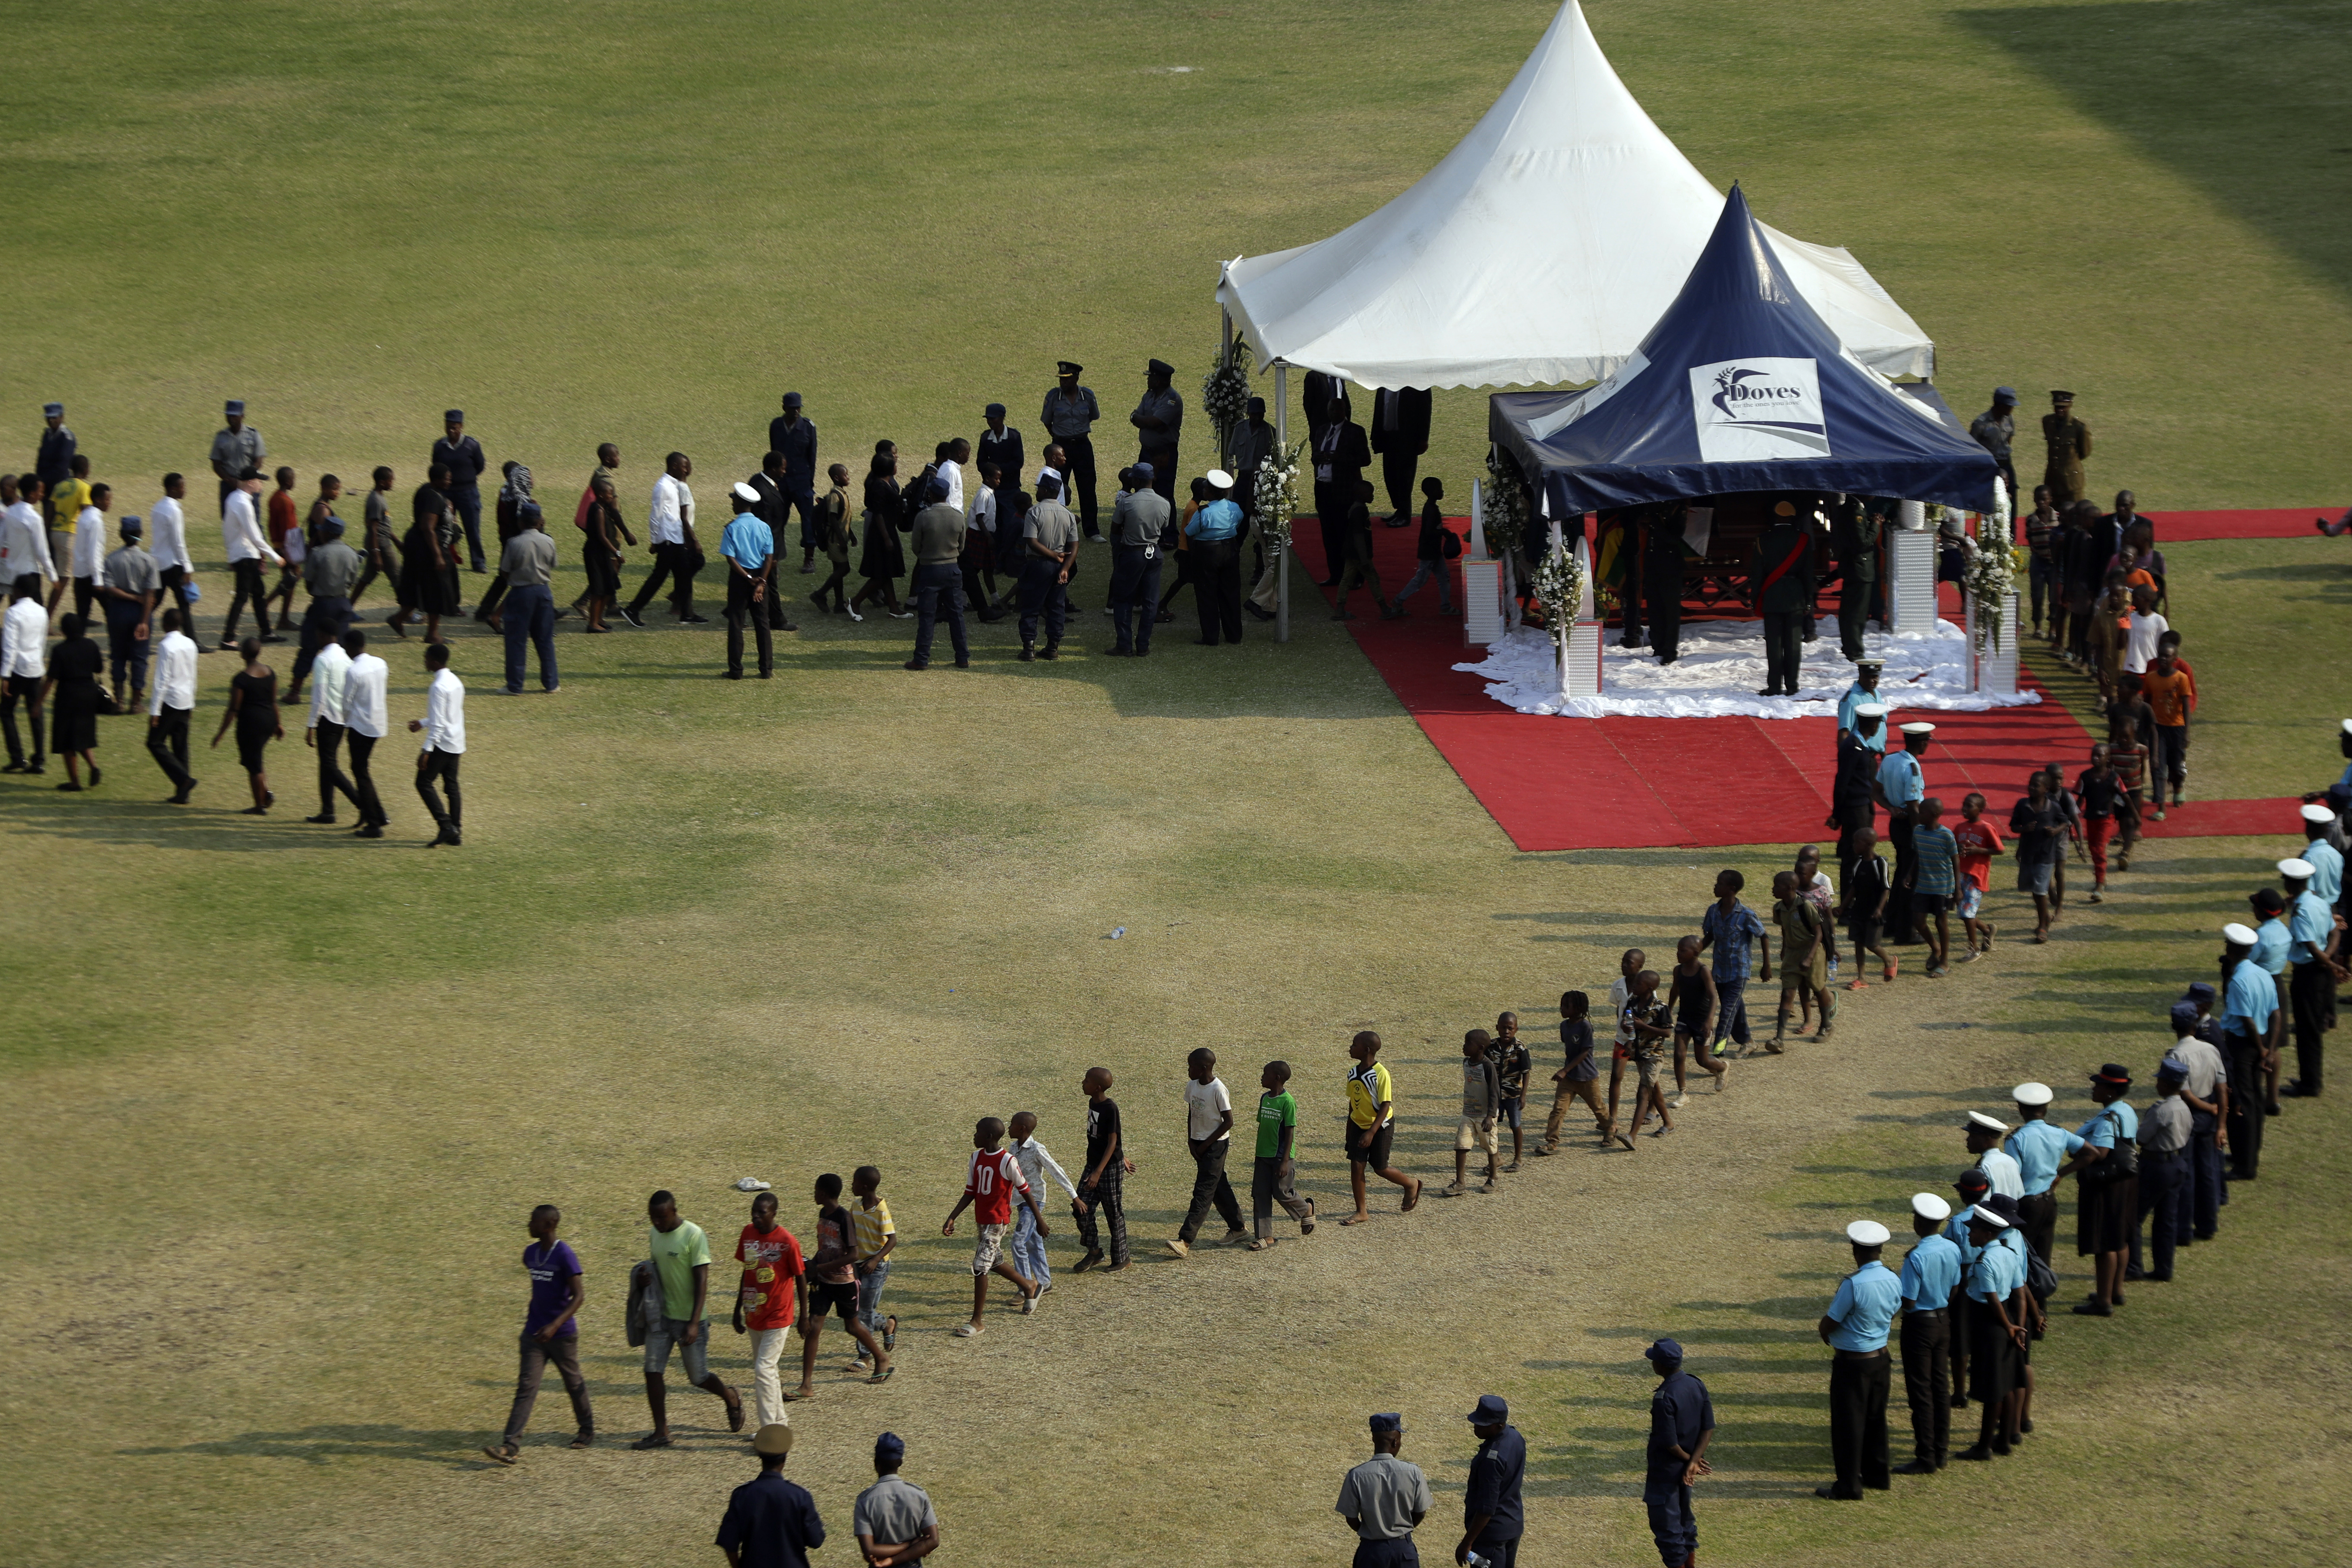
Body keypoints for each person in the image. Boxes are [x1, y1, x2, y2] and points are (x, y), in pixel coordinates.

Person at [630, 1189, 745, 1447]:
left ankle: (730, 1397)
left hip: (689, 1320)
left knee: (698, 1377)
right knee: (652, 1371)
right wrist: (644, 1278)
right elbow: (659, 1269)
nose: (657, 1223)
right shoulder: (654, 1234)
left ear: (674, 1211)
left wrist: (694, 1322)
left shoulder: (694, 1235)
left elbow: (702, 1281)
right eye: (652, 1218)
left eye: (661, 1218)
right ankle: (662, 1432)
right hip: (661, 1318)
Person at [481, 1204, 593, 1465]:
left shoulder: (565, 1255)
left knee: (574, 1384)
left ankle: (586, 1430)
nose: (528, 1225)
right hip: (533, 1335)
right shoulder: (530, 1254)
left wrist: (555, 1325)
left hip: (562, 1335)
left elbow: (579, 1297)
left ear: (549, 1225)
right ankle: (510, 1445)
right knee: (526, 1387)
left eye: (534, 1221)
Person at [1815, 1219, 1899, 1499]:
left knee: (1848, 1424)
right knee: (1876, 1419)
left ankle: (1849, 1486)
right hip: (1881, 1358)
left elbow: (1831, 1321)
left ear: (1855, 1250)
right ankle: (1878, 1475)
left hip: (1853, 1363)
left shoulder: (1853, 1284)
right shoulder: (1893, 1278)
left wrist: (1824, 1333)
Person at [940, 1116, 1045, 1336]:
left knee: (980, 1267)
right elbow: (970, 1191)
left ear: (988, 1136)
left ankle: (977, 1321)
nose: (974, 1136)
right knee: (994, 1262)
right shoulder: (976, 1157)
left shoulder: (1008, 1161)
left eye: (977, 1132)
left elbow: (1026, 1191)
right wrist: (953, 1217)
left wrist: (1040, 1219)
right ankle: (1029, 1286)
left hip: (997, 1222)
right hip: (982, 1220)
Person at [2054, 1064, 2138, 1316]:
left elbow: (2100, 1154)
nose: (2093, 1088)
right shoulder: (2127, 1111)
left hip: (2105, 1184)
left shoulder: (2106, 1120)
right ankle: (2116, 1291)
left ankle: (2103, 1301)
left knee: (2104, 1243)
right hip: (2125, 1181)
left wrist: (2063, 1173)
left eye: (2099, 1085)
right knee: (2120, 1236)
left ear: (2110, 1091)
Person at [792, 1172, 888, 1390]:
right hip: (823, 1282)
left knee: (853, 1326)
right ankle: (806, 1384)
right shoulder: (823, 1213)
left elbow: (853, 1255)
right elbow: (826, 1247)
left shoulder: (844, 1218)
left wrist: (818, 1268)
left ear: (824, 1193)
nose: (814, 1194)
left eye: (816, 1190)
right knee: (814, 1327)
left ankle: (881, 1358)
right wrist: (812, 1266)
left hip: (845, 1282)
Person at [728, 1190, 806, 1432]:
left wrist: (804, 1316)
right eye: (754, 1212)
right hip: (754, 1314)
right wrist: (737, 1308)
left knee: (763, 1369)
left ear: (774, 1213)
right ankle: (779, 1424)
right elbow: (747, 1271)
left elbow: (800, 1277)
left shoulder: (787, 1241)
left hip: (779, 1315)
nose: (756, 1217)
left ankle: (769, 1431)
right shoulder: (748, 1233)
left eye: (762, 1213)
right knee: (768, 1372)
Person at [1893, 1193, 1959, 1474]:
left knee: (1921, 1391)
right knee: (1940, 1388)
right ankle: (1941, 1451)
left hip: (1920, 1325)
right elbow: (1956, 1286)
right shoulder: (1952, 1248)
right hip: (1944, 1320)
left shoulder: (1917, 1257)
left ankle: (1926, 1456)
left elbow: (1908, 1300)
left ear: (1919, 1222)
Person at [1953, 1206, 2026, 1459]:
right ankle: (2003, 1441)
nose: (1969, 1234)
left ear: (1986, 1233)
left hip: (1991, 1323)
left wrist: (2008, 1327)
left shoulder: (1984, 1261)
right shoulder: (2009, 1254)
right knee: (2006, 1384)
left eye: (1973, 1230)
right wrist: (2019, 1327)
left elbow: (1992, 1299)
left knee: (1992, 1388)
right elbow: (2020, 1293)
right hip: (2010, 1320)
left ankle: (1984, 1447)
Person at [1169, 1047, 1247, 1255]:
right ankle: (1239, 1228)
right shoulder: (1192, 1086)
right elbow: (1192, 1114)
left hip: (1216, 1145)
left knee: (1203, 1192)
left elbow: (1228, 1122)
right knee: (1218, 1186)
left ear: (1203, 1068)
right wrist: (1191, 1141)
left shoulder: (1218, 1089)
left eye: (1191, 1066)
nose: (1188, 1070)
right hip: (1198, 1143)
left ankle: (1185, 1241)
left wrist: (1205, 1145)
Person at [1642, 1340, 1712, 1568]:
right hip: (1685, 1473)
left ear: (1660, 1366)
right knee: (1685, 1526)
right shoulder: (1696, 1384)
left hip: (1666, 1474)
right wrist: (1693, 1462)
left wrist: (1690, 1461)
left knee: (1668, 1531)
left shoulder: (1664, 1398)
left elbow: (1670, 1444)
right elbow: (1708, 1427)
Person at [715, 1424, 825, 1568]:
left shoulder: (742, 1495)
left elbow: (729, 1542)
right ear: (785, 1457)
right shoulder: (799, 1496)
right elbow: (816, 1540)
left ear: (760, 1456)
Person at [2218, 922, 2279, 1181]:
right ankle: (2249, 1152)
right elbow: (2276, 1013)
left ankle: (2245, 1166)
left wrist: (2260, 1048)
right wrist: (2269, 1050)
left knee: (2241, 1104)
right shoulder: (2262, 973)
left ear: (2231, 948)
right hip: (2261, 1043)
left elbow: (2247, 1021)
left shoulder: (2238, 981)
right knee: (2254, 1099)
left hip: (2243, 1045)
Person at [2164, 1004, 2229, 1243]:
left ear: (2174, 1026)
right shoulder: (2211, 1049)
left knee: (2187, 1173)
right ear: (2196, 1024)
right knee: (2209, 1171)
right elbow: (2222, 1088)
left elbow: (2186, 1094)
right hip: (2210, 1118)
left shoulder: (2176, 1055)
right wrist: (2220, 1121)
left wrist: (2209, 1108)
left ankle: (2183, 1231)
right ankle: (2208, 1225)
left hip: (2189, 1116)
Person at [1340, 1031, 1421, 1222]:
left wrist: (1371, 1132)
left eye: (1354, 1045)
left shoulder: (1381, 1074)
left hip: (1381, 1126)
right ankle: (1362, 1211)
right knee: (1357, 1167)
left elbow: (1386, 1105)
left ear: (1367, 1050)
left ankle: (1411, 1184)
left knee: (1380, 1168)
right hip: (1359, 1125)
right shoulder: (1353, 1073)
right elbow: (1353, 1103)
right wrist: (1349, 1131)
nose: (1351, 1047)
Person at [284, 515, 363, 708]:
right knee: (345, 649)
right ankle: (349, 692)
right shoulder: (352, 554)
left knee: (309, 647)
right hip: (343, 604)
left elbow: (309, 582)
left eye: (322, 530)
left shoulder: (318, 553)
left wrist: (316, 592)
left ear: (328, 533)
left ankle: (295, 692)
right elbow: (353, 581)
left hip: (322, 605)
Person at [1336, 1413, 1434, 1568]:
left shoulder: (1356, 1475)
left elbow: (1351, 1518)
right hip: (1403, 1551)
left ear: (1373, 1439)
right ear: (1396, 1442)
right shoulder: (1413, 1472)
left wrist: (1368, 1531)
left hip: (1371, 1551)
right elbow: (1421, 1512)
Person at [625, 452, 707, 625]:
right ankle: (632, 610)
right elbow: (655, 515)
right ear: (675, 466)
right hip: (668, 541)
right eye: (684, 466)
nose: (687, 470)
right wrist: (655, 541)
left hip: (675, 539)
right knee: (659, 577)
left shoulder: (674, 485)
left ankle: (687, 614)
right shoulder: (663, 486)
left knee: (684, 576)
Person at [2003, 1083, 2078, 1262]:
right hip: (2049, 1201)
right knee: (2043, 1257)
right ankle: (2042, 1290)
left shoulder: (2016, 1139)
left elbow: (2015, 1176)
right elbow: (2092, 1153)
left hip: (2027, 1204)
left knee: (2021, 1257)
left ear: (2020, 1110)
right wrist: (2061, 1174)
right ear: (2046, 1109)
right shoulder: (2059, 1132)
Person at [1006, 1110, 1078, 1295]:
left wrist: (1074, 1196)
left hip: (1035, 1202)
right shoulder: (1013, 1149)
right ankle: (1045, 1282)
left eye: (1012, 1124)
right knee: (1032, 1242)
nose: (1008, 1127)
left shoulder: (1037, 1149)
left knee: (1018, 1242)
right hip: (1021, 1202)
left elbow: (1056, 1170)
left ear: (1022, 1129)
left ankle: (1025, 1287)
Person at [1537, 989, 1620, 1152]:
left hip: (1587, 1077)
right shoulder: (1564, 1026)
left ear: (1578, 1009)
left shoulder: (1585, 1026)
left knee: (1598, 1108)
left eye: (1566, 1006)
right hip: (1569, 1079)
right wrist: (1566, 1072)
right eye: (1562, 1005)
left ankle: (1610, 1128)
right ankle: (1552, 1142)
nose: (1562, 1009)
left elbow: (1585, 1052)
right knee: (1558, 1110)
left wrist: (1564, 1071)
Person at [1697, 870, 1768, 1055]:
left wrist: (1766, 965)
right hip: (1720, 971)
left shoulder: (1746, 915)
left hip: (1739, 971)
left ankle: (1719, 1051)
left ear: (1731, 889)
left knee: (1727, 1011)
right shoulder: (1713, 911)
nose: (1715, 886)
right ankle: (1747, 1040)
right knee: (1736, 1006)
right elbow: (1710, 935)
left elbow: (1763, 935)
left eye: (1719, 883)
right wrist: (1694, 955)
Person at [903, 475, 970, 672]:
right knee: (957, 615)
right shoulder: (958, 516)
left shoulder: (924, 517)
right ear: (947, 494)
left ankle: (921, 659)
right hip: (952, 568)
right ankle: (963, 657)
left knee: (927, 616)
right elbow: (962, 545)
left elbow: (916, 546)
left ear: (931, 494)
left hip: (929, 568)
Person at [1749, 500, 1815, 696]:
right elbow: (1808, 575)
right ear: (1793, 518)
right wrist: (1808, 600)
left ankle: (1775, 686)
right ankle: (1792, 685)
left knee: (1774, 645)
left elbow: (1757, 575)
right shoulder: (1803, 540)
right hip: (1795, 596)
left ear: (1775, 517)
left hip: (1772, 596)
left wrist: (1755, 599)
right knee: (1794, 645)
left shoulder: (1763, 540)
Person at [209, 635, 280, 812]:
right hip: (268, 720)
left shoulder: (241, 679)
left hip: (251, 725)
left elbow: (234, 709)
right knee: (255, 759)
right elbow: (273, 702)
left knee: (253, 765)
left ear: (243, 654)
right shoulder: (270, 672)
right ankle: (265, 793)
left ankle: (259, 805)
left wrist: (220, 733)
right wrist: (278, 724)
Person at [1250, 1059, 1316, 1249]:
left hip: (1281, 1157)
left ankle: (1306, 1209)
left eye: (1265, 1074)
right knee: (1260, 1194)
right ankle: (1265, 1236)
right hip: (1263, 1155)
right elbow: (1263, 1126)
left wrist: (1285, 1161)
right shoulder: (1264, 1098)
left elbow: (1289, 1133)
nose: (1262, 1077)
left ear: (1277, 1078)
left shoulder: (1288, 1102)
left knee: (1282, 1192)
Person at [300, 617, 359, 825]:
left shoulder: (322, 660)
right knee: (327, 765)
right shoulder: (345, 656)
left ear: (323, 635)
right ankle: (327, 810)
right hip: (343, 719)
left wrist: (311, 726)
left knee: (330, 766)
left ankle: (365, 805)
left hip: (327, 719)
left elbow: (319, 698)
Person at [1106, 463, 1170, 657]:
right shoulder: (1165, 503)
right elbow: (1164, 527)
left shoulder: (1127, 502)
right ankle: (1143, 645)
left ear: (1136, 480)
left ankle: (1124, 645)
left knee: (1123, 599)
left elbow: (1115, 529)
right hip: (1154, 552)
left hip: (1132, 553)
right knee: (1150, 602)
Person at [1073, 1065, 1133, 1271]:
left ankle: (1121, 1258)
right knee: (1080, 1207)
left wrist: (1099, 1172)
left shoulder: (1110, 1108)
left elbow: (1112, 1141)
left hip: (1107, 1170)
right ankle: (1094, 1252)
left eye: (1087, 1081)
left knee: (1113, 1212)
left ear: (1098, 1087)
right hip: (1093, 1165)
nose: (1083, 1083)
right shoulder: (1093, 1102)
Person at [2138, 1059, 2192, 1282]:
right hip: (2177, 1164)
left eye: (2160, 1080)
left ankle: (2133, 1267)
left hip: (2156, 1165)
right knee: (2166, 1220)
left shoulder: (2162, 1110)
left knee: (2134, 1217)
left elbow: (2141, 1138)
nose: (2157, 1083)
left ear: (2167, 1084)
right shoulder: (2184, 1107)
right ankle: (2164, 1268)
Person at [1875, 722, 1932, 937]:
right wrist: (1920, 835)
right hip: (1911, 825)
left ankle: (1891, 924)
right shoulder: (1913, 768)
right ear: (1923, 743)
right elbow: (1914, 805)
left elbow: (1876, 791)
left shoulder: (1890, 759)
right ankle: (1906, 930)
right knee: (1912, 876)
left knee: (1901, 873)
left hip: (1897, 823)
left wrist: (1891, 808)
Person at [98, 513, 159, 711]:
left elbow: (109, 589)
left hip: (117, 611)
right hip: (141, 612)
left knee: (118, 655)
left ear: (121, 534)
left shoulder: (111, 559)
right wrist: (143, 619)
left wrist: (130, 598)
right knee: (139, 657)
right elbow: (150, 594)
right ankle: (136, 702)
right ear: (140, 534)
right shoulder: (149, 561)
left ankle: (120, 700)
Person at [395, 465, 462, 644]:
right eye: (447, 478)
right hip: (430, 549)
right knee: (437, 590)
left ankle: (398, 618)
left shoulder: (428, 491)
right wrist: (438, 555)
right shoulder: (433, 498)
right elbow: (428, 527)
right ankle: (432, 634)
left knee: (418, 586)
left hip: (419, 546)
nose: (450, 481)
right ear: (437, 479)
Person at [218, 467, 284, 648]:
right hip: (245, 555)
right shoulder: (244, 504)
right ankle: (228, 637)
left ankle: (266, 632)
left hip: (243, 554)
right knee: (242, 597)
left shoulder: (234, 498)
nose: (261, 484)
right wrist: (275, 556)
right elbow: (255, 536)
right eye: (259, 480)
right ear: (250, 483)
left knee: (258, 594)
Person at [1457, 1394, 1525, 1568]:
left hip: (1491, 1536)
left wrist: (1467, 1543)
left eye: (1483, 1424)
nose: (1476, 1427)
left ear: (1499, 1426)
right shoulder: (1515, 1437)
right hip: (1512, 1524)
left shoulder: (1491, 1460)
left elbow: (1487, 1508)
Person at [1016, 473, 1078, 662]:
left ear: (1045, 491)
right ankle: (1053, 647)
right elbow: (1074, 546)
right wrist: (1065, 567)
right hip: (1060, 568)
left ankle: (1029, 648)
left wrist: (1052, 555)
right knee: (1057, 607)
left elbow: (1032, 542)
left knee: (1031, 606)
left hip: (1037, 564)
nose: (1037, 491)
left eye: (1039, 488)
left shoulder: (1034, 512)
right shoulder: (1068, 514)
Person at [1311, 395, 1372, 587]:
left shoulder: (1355, 431)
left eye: (1337, 410)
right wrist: (1317, 457)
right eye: (1331, 410)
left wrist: (1339, 458)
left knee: (1347, 535)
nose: (1334, 414)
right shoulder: (1321, 431)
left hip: (1344, 490)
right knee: (1329, 535)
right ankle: (1336, 575)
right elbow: (1314, 457)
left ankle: (1356, 577)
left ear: (1345, 411)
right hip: (1323, 488)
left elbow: (1365, 459)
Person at [407, 640, 464, 847]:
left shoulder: (438, 687)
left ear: (435, 661)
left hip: (442, 743)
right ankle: (456, 832)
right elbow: (448, 716)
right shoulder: (455, 681)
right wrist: (422, 723)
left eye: (427, 658)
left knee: (423, 783)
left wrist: (426, 750)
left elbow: (440, 724)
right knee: (452, 787)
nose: (425, 661)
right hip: (457, 740)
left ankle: (446, 826)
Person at [853, 1432, 939, 1567]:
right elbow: (933, 1541)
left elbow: (869, 1551)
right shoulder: (919, 1495)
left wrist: (892, 1558)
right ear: (900, 1463)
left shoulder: (865, 1501)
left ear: (876, 1463)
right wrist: (911, 1545)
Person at [720, 480, 777, 680]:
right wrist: (761, 582)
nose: (732, 503)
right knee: (763, 624)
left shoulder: (732, 528)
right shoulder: (764, 527)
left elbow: (731, 558)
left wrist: (748, 578)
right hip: (761, 576)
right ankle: (766, 669)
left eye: (733, 500)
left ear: (740, 503)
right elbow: (769, 557)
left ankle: (736, 670)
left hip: (740, 579)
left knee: (736, 623)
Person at [40, 612, 104, 790]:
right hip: (89, 694)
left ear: (63, 631)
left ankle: (75, 781)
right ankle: (94, 767)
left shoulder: (60, 650)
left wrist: (38, 703)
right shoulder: (91, 645)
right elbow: (99, 668)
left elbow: (51, 679)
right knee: (82, 735)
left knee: (66, 740)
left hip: (67, 696)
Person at [846, 1165, 897, 1376]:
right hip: (857, 1265)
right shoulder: (856, 1205)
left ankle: (864, 1356)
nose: (852, 1185)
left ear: (865, 1187)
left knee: (863, 1312)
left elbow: (893, 1240)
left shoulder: (881, 1210)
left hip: (876, 1267)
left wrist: (876, 1260)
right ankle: (887, 1325)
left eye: (855, 1182)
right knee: (860, 1311)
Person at [1186, 468, 1248, 643]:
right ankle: (1234, 635)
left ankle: (1211, 636)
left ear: (1209, 492)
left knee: (1207, 594)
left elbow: (1191, 531)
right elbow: (1239, 521)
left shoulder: (1204, 512)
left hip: (1207, 553)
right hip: (1230, 550)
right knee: (1231, 593)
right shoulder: (1234, 507)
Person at [1041, 361, 1102, 538]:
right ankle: (1057, 528)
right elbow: (1047, 420)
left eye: (1067, 379)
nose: (1063, 383)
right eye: (1061, 379)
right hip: (1061, 446)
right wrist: (1058, 436)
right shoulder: (1053, 397)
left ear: (1076, 378)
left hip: (1083, 445)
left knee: (1088, 488)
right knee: (1057, 487)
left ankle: (1092, 531)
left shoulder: (1088, 396)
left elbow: (1093, 416)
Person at [2010, 767, 2072, 941]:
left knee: (2039, 892)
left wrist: (2055, 831)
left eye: (2036, 786)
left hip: (2046, 856)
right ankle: (2045, 918)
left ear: (2046, 789)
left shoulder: (2053, 807)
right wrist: (2023, 829)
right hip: (2028, 855)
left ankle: (2043, 927)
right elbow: (2014, 826)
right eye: (2030, 785)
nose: (2032, 788)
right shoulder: (2023, 805)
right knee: (2033, 890)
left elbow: (2066, 822)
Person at [143, 608, 198, 802]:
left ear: (165, 624)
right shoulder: (190, 643)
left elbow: (162, 681)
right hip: (185, 700)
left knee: (155, 743)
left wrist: (155, 711)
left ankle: (184, 781)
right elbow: (192, 675)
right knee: (181, 746)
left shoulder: (166, 646)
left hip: (170, 701)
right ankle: (183, 794)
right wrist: (192, 702)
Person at [1770, 870, 1830, 1047]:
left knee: (1818, 988)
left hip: (1812, 951)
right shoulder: (1779, 908)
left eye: (1777, 886)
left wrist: (1810, 958)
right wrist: (1784, 948)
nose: (1773, 889)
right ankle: (1779, 1038)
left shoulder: (1805, 906)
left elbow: (1818, 933)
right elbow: (1785, 929)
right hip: (1792, 952)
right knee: (1787, 992)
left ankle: (1826, 1025)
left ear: (1789, 888)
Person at [340, 628, 390, 837]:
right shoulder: (380, 663)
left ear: (351, 647)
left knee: (360, 771)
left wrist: (346, 723)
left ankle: (374, 824)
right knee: (362, 770)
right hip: (379, 723)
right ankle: (379, 814)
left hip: (361, 727)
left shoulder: (354, 671)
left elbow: (346, 703)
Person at [1665, 936, 1725, 1103]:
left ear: (1696, 953)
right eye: (1678, 949)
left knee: (1703, 1060)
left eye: (1683, 951)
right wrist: (1668, 1011)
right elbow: (1675, 990)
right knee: (1679, 1055)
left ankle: (1723, 1067)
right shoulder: (1678, 970)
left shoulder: (1703, 971)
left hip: (1702, 1021)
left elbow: (1714, 997)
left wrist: (1709, 1021)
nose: (1678, 953)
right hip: (1685, 1018)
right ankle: (1683, 1093)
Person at [1447, 1028, 1507, 1191]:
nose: (1464, 1046)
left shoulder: (1488, 1066)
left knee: (1490, 1146)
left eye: (1468, 1043)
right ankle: (1460, 1182)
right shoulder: (1466, 1062)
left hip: (1485, 1116)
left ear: (1481, 1048)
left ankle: (1493, 1178)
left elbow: (1495, 1092)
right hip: (1468, 1113)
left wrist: (1490, 1116)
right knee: (1461, 1146)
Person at [1390, 476, 1458, 617]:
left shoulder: (1431, 508)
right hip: (1429, 552)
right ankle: (1399, 601)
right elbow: (1429, 532)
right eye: (1439, 489)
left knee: (1444, 578)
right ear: (1432, 492)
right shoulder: (1431, 509)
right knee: (1420, 580)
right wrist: (1444, 532)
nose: (1442, 492)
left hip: (1434, 551)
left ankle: (1445, 606)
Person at [432, 410, 489, 571]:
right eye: (448, 427)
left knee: (473, 529)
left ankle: (478, 563)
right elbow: (436, 468)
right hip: (446, 494)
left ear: (462, 427)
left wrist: (466, 479)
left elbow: (480, 466)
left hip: (468, 493)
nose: (451, 431)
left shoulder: (472, 445)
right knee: (444, 528)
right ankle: (444, 560)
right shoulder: (439, 446)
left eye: (455, 427)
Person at [851, 451, 907, 618]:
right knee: (880, 575)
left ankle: (893, 608)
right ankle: (855, 602)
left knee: (886, 572)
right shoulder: (880, 486)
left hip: (886, 532)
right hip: (882, 534)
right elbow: (878, 513)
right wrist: (887, 538)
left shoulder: (883, 484)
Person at [1907, 798, 1959, 975]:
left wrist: (1957, 888)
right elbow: (1917, 855)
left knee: (1941, 922)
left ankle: (1944, 961)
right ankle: (1935, 948)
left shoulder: (1946, 835)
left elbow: (1956, 861)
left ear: (1935, 815)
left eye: (1922, 812)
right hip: (1923, 885)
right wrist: (1910, 874)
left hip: (1943, 887)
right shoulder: (1918, 832)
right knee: (1918, 922)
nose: (1919, 815)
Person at [1947, 793, 2002, 959]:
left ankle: (1974, 949)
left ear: (1981, 809)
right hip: (1960, 875)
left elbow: (1999, 849)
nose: (1964, 809)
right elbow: (1953, 847)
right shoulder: (1960, 828)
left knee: (1966, 913)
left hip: (1976, 876)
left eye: (1969, 806)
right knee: (1964, 912)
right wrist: (1958, 847)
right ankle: (1987, 929)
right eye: (1964, 804)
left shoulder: (1986, 828)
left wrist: (1979, 850)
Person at [767, 392, 820, 567]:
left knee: (808, 519)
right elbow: (773, 454)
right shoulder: (776, 426)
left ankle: (809, 559)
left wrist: (809, 481)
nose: (796, 411)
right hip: (782, 483)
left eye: (798, 408)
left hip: (802, 481)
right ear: (784, 408)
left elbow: (812, 457)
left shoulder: (808, 427)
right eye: (792, 408)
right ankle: (774, 559)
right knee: (778, 520)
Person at [1827, 497, 1881, 662]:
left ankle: (1850, 646)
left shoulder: (1850, 508)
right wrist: (1876, 526)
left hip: (1854, 566)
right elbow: (1862, 542)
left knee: (1851, 611)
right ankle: (1854, 650)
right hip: (1859, 568)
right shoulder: (1855, 510)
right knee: (1856, 614)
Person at [1330, 479, 1391, 623]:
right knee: (1373, 579)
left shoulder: (1356, 508)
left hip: (1351, 552)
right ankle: (1384, 608)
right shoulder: (1360, 511)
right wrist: (1364, 559)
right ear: (1361, 495)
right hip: (1359, 554)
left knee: (1346, 580)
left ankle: (1340, 609)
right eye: (1370, 493)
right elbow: (1359, 536)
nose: (1373, 496)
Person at [2072, 744, 2127, 902]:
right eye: (2094, 755)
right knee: (2093, 848)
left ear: (2108, 758)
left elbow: (2124, 795)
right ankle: (2101, 877)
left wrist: (2134, 815)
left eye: (2100, 755)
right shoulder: (2085, 777)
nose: (2096, 758)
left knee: (2099, 849)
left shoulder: (2113, 777)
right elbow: (2080, 799)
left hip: (2106, 818)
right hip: (2091, 818)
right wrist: (2072, 815)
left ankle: (2099, 884)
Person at [1129, 358, 1183, 506]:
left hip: (1164, 455)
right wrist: (1141, 419)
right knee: (1142, 492)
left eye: (1150, 377)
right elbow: (1136, 416)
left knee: (1163, 494)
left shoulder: (1172, 400)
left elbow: (1156, 422)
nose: (1148, 380)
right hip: (1146, 452)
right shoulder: (1149, 396)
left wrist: (1143, 420)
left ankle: (1169, 529)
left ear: (1158, 381)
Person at [146, 474, 193, 635]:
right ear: (173, 489)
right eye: (182, 487)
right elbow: (178, 542)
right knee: (184, 603)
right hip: (173, 564)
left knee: (154, 603)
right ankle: (192, 640)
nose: (184, 490)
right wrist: (187, 567)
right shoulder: (174, 510)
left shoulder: (158, 506)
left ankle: (136, 627)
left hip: (158, 562)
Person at [580, 476, 627, 634]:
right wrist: (617, 553)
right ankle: (593, 624)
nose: (612, 496)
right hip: (596, 554)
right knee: (598, 590)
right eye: (609, 494)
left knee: (610, 587)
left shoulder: (603, 508)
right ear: (601, 495)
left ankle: (599, 619)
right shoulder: (598, 511)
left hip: (603, 554)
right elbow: (602, 537)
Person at [355, 467, 404, 617]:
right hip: (380, 544)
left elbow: (384, 525)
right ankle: (406, 613)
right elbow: (373, 528)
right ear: (382, 482)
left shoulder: (379, 497)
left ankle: (347, 609)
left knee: (367, 578)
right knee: (397, 576)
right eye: (391, 480)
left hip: (380, 542)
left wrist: (396, 541)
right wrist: (376, 553)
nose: (393, 483)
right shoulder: (376, 500)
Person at [809, 465, 856, 617]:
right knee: (844, 569)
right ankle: (820, 594)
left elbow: (844, 518)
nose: (848, 477)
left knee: (838, 570)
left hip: (839, 538)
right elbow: (833, 518)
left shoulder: (842, 493)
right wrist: (842, 540)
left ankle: (838, 603)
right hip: (835, 540)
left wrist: (852, 535)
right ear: (837, 478)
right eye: (846, 475)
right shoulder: (835, 495)